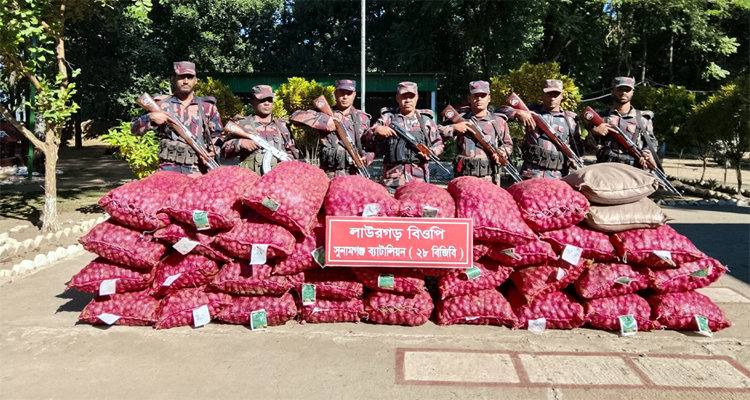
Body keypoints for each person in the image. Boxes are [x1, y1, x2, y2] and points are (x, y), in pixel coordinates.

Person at [131, 61, 222, 176]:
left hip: (198, 171)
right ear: (173, 79)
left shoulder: (207, 107)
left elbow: (218, 135)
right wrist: (150, 117)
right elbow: (134, 130)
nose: (186, 81)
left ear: (196, 80)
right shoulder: (161, 104)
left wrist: (214, 151)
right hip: (168, 170)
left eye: (190, 77)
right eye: (181, 77)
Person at [363, 81, 444, 192]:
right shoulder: (388, 119)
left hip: (419, 180)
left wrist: (431, 152)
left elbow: (438, 143)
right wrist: (376, 130)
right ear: (397, 98)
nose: (408, 100)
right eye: (404, 97)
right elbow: (366, 138)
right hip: (392, 181)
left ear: (417, 98)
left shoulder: (426, 121)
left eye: (411, 97)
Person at [498, 79, 584, 179]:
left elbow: (577, 149)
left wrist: (576, 162)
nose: (552, 98)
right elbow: (498, 113)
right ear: (542, 95)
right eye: (549, 94)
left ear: (562, 96)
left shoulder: (570, 119)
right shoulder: (531, 112)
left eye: (556, 95)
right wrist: (518, 113)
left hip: (559, 176)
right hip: (532, 174)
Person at [290, 79, 372, 178]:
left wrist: (366, 158)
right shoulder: (325, 114)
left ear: (354, 95)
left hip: (353, 175)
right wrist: (325, 121)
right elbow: (295, 117)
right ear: (335, 94)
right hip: (329, 174)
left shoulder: (363, 118)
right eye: (341, 93)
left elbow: (370, 145)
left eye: (349, 93)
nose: (345, 97)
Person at [440, 80, 513, 184]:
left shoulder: (498, 121)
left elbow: (508, 144)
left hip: (489, 179)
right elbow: (435, 134)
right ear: (469, 98)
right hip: (464, 179)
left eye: (483, 96)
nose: (479, 99)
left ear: (489, 98)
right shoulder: (459, 119)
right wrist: (454, 128)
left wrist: (502, 152)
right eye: (475, 96)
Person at [221, 85, 299, 175]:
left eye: (270, 100)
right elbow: (224, 152)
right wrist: (240, 143)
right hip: (249, 177)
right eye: (262, 100)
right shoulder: (242, 125)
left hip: (277, 178)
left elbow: (292, 152)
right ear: (253, 102)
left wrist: (289, 161)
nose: (267, 103)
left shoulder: (282, 126)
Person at [587, 77, 658, 169]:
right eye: (619, 89)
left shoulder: (642, 119)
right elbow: (588, 149)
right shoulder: (601, 117)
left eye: (627, 90)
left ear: (632, 92)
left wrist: (646, 154)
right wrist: (594, 133)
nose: (623, 92)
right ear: (612, 92)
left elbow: (651, 143)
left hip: (633, 168)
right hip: (606, 168)